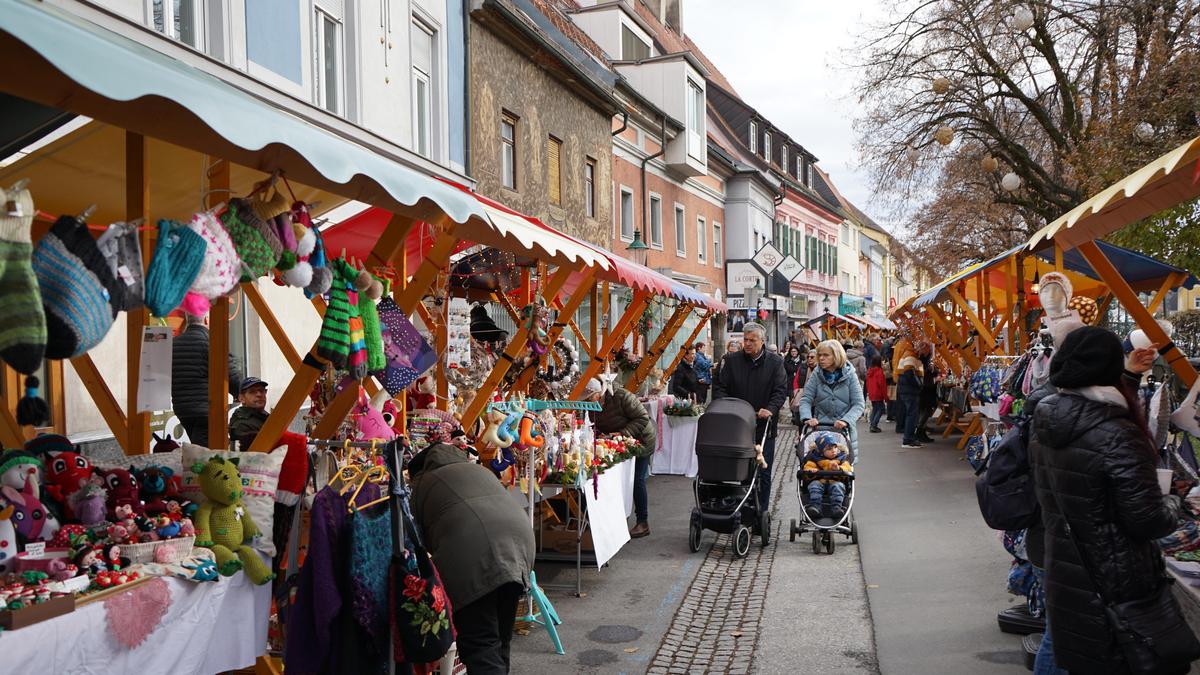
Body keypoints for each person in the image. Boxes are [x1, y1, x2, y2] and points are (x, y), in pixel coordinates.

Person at [1030, 326, 1191, 675]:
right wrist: (1175, 502)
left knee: (1077, 655)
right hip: (1117, 579)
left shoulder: (1046, 419)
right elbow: (1147, 520)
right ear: (1107, 368)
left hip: (1067, 570)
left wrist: (1130, 376)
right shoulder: (1118, 433)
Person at [409, 442, 535, 674]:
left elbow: (414, 538)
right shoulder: (479, 470)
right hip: (520, 543)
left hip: (472, 553)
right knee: (500, 637)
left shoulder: (422, 482)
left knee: (480, 642)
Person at [714, 323, 789, 512]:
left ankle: (761, 512)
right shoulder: (732, 361)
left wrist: (770, 409)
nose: (747, 344)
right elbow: (720, 387)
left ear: (762, 341)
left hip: (763, 426)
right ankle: (738, 505)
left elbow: (780, 391)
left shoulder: (775, 362)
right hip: (736, 425)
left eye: (752, 340)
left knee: (763, 470)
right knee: (737, 468)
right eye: (745, 340)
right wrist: (727, 406)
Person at [584, 377, 657, 538]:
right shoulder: (592, 405)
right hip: (617, 442)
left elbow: (642, 418)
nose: (588, 402)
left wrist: (622, 434)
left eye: (590, 398)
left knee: (636, 479)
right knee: (616, 479)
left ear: (598, 392)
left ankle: (643, 522)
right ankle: (615, 520)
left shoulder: (622, 396)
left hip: (641, 440)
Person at [171, 312, 242, 447]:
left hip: (182, 409)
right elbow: (230, 373)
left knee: (199, 447)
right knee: (207, 454)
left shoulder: (174, 343)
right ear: (206, 319)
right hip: (206, 410)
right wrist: (240, 393)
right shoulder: (212, 341)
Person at [798, 340, 865, 462]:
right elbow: (806, 399)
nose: (821, 358)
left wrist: (846, 420)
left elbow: (859, 404)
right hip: (821, 431)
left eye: (826, 355)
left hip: (844, 434)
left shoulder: (850, 375)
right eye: (820, 355)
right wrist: (807, 417)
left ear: (836, 356)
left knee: (844, 473)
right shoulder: (817, 374)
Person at [802, 430, 853, 520]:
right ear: (821, 451)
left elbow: (848, 468)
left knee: (838, 487)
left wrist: (839, 469)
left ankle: (836, 508)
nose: (833, 451)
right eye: (829, 449)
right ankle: (815, 507)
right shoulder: (814, 458)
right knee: (814, 486)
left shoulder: (842, 458)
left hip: (836, 481)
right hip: (819, 481)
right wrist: (812, 470)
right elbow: (807, 467)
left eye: (835, 447)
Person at [894, 340, 924, 448]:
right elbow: (908, 373)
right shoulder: (911, 355)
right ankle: (908, 439)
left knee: (911, 413)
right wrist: (918, 384)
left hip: (905, 389)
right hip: (909, 390)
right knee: (912, 414)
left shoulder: (909, 354)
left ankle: (909, 438)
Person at [228, 377, 269, 450]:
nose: (259, 394)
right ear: (241, 398)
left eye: (261, 390)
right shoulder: (241, 424)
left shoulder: (262, 415)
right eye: (252, 391)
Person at [915, 344, 938, 443]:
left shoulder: (924, 358)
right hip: (925, 387)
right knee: (925, 410)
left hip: (926, 386)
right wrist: (930, 370)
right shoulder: (921, 359)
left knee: (925, 410)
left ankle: (921, 431)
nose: (929, 350)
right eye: (928, 348)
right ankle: (920, 431)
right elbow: (922, 372)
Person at [866, 355, 888, 433]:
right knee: (880, 409)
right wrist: (886, 397)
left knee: (875, 409)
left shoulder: (869, 371)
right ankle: (874, 425)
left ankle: (872, 424)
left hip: (872, 392)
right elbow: (882, 385)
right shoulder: (879, 371)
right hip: (878, 393)